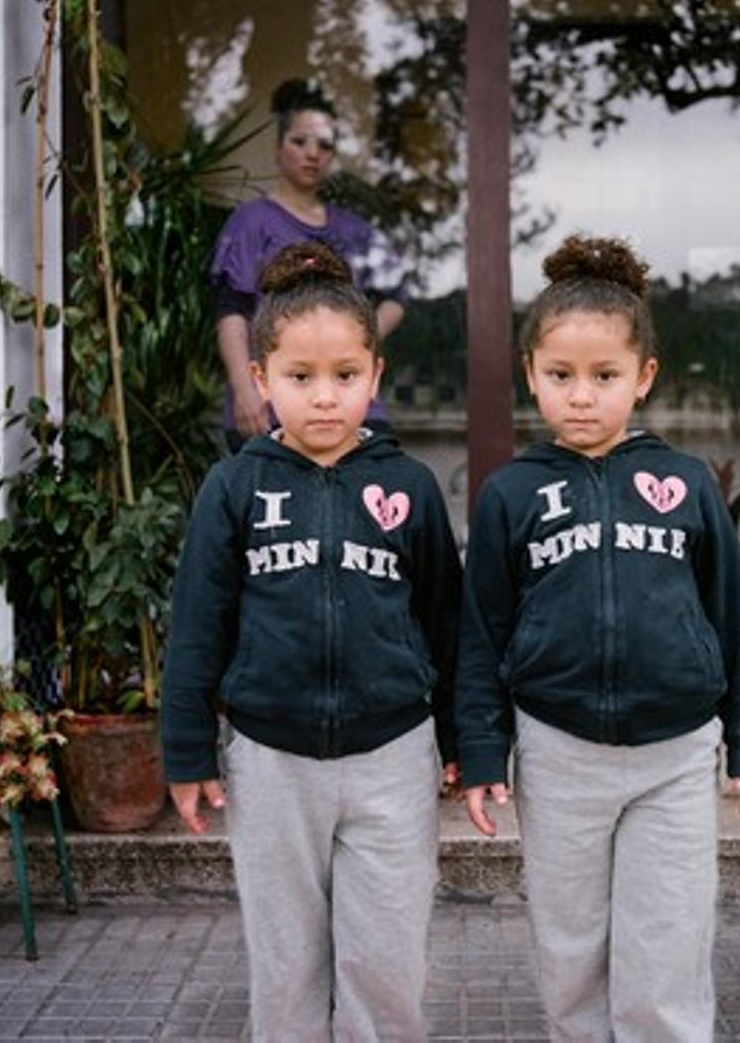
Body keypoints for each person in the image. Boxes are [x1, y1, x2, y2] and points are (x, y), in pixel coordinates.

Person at [455, 234, 740, 1042]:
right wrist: (483, 753)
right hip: (560, 753)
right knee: (571, 947)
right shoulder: (511, 495)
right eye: (561, 376)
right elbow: (481, 633)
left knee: (666, 943)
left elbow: (731, 615)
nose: (582, 396)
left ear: (643, 378)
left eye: (605, 377)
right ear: (531, 372)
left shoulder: (688, 485)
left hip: (675, 754)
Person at [161, 241, 461, 1042]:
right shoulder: (235, 488)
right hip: (270, 760)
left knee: (386, 962)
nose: (325, 398)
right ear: (261, 379)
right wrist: (186, 748)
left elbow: (446, 620)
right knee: (287, 963)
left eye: (345, 376)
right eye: (300, 378)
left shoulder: (409, 487)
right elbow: (197, 624)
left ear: (375, 374)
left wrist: (465, 738)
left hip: (393, 757)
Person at [212, 77, 405, 449]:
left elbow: (396, 295)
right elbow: (231, 309)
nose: (312, 153)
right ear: (279, 147)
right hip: (271, 407)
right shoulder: (251, 221)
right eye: (300, 142)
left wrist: (358, 341)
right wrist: (243, 387)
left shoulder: (355, 231)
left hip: (355, 411)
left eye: (325, 146)